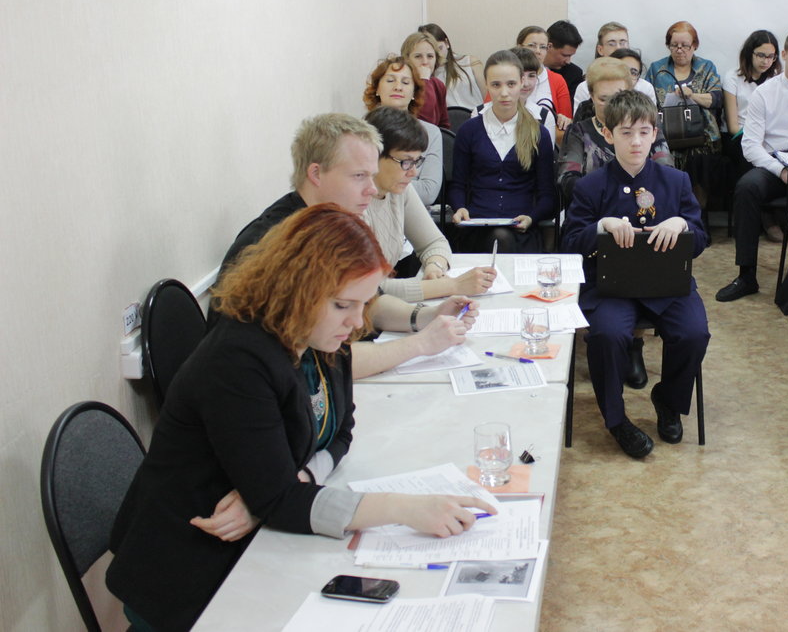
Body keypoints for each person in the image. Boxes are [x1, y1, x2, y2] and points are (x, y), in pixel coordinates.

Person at [108, 205, 497, 631]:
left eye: (363, 304)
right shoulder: (238, 360)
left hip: (251, 545)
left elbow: (341, 433)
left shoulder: (319, 337)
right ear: (298, 289)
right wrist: (402, 508)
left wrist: (294, 482)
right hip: (187, 568)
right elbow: (280, 502)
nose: (356, 323)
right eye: (343, 305)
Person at [215, 113, 475, 380]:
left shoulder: (328, 224)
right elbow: (326, 360)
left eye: (372, 176)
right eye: (359, 176)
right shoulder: (284, 244)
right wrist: (421, 344)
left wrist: (428, 316)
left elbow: (369, 302)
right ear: (316, 174)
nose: (372, 189)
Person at [561, 90, 710, 459]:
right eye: (626, 133)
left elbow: (700, 239)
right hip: (612, 285)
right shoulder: (590, 185)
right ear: (608, 134)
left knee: (694, 333)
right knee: (607, 335)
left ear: (655, 133)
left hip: (667, 283)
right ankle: (616, 420)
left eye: (644, 132)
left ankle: (669, 400)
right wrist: (601, 226)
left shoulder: (676, 181)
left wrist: (681, 225)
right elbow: (570, 244)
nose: (636, 142)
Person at [717, 26, 788, 302]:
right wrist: (782, 171)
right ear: (784, 55)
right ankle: (746, 275)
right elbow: (750, 145)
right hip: (776, 166)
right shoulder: (764, 93)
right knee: (747, 188)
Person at [363, 106, 497, 300]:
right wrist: (451, 286)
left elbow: (434, 242)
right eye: (405, 162)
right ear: (374, 155)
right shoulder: (354, 203)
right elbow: (369, 289)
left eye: (417, 162)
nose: (413, 172)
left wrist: (435, 266)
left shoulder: (398, 189)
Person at [450, 50, 556, 252]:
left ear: (522, 82)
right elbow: (458, 185)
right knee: (496, 238)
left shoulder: (538, 133)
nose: (504, 93)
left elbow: (547, 194)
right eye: (496, 85)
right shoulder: (469, 130)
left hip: (521, 228)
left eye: (511, 84)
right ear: (487, 85)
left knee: (502, 238)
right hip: (476, 226)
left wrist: (532, 217)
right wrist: (460, 208)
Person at [557, 59, 671, 204]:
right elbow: (567, 181)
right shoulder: (578, 132)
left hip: (644, 206)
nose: (611, 105)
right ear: (591, 96)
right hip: (594, 208)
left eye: (618, 97)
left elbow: (665, 172)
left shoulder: (646, 128)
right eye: (603, 99)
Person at [645, 20, 724, 206]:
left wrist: (692, 95)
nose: (679, 50)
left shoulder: (706, 67)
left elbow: (716, 99)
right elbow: (647, 101)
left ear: (694, 46)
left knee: (699, 159)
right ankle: (669, 208)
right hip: (666, 133)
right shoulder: (657, 69)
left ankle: (697, 211)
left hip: (701, 136)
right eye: (674, 45)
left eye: (685, 46)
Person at [362, 54, 444, 208]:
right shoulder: (362, 131)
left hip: (413, 209)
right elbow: (358, 183)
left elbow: (428, 192)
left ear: (414, 93)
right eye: (390, 80)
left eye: (405, 82)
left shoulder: (430, 133)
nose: (398, 87)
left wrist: (384, 182)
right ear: (377, 88)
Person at [723, 29, 781, 139]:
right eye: (761, 55)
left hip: (767, 135)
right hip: (740, 136)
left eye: (770, 56)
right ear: (749, 53)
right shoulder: (732, 78)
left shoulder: (776, 78)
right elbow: (733, 127)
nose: (765, 61)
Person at [517, 25, 573, 125]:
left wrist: (563, 120)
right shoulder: (506, 76)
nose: (538, 51)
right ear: (519, 47)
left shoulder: (557, 80)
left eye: (543, 47)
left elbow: (567, 120)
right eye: (532, 45)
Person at [422, 23, 485, 111]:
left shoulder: (470, 62)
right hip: (449, 118)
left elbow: (487, 96)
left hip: (477, 115)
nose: (438, 55)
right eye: (433, 51)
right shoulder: (427, 76)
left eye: (440, 48)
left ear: (446, 43)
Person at [571, 47, 657, 111]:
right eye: (622, 70)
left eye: (633, 72)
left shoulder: (645, 89)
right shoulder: (585, 89)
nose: (627, 76)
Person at [400, 32, 449, 129]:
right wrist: (424, 81)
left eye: (430, 56)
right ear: (407, 59)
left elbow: (444, 125)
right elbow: (424, 121)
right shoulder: (402, 85)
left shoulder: (438, 85)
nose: (425, 62)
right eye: (418, 56)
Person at [545, 19, 586, 98]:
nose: (568, 61)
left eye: (571, 56)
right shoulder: (527, 68)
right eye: (565, 55)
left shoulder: (574, 74)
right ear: (549, 46)